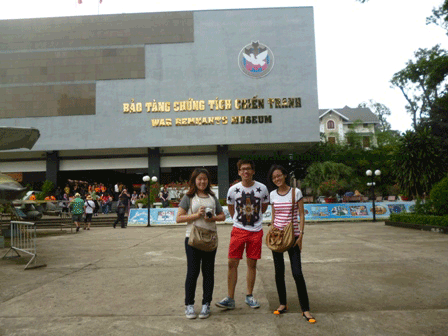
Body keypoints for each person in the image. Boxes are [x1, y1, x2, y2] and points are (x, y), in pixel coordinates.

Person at [216, 159, 269, 310]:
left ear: (253, 171)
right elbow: (231, 209)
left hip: (256, 231)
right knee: (232, 263)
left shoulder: (262, 188)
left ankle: (249, 295)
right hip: (238, 230)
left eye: (248, 169)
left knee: (252, 264)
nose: (245, 171)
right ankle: (230, 298)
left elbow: (263, 208)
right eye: (242, 169)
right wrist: (239, 222)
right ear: (239, 172)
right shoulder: (233, 190)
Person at [268, 165, 316, 323]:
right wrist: (272, 230)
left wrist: (301, 235)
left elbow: (301, 214)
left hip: (293, 236)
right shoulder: (273, 194)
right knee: (278, 271)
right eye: (274, 177)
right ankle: (283, 304)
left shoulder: (296, 192)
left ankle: (306, 309)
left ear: (285, 175)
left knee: (297, 273)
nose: (277, 179)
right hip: (278, 237)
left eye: (279, 175)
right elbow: (274, 216)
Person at [176, 168, 225, 319]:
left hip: (210, 238)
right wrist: (196, 215)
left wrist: (213, 218)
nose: (202, 182)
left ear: (208, 181)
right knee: (193, 272)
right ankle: (189, 305)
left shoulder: (212, 197)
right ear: (194, 181)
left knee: (208, 272)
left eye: (204, 179)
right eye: (199, 179)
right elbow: (178, 218)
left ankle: (206, 304)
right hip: (192, 239)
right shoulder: (189, 197)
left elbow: (222, 215)